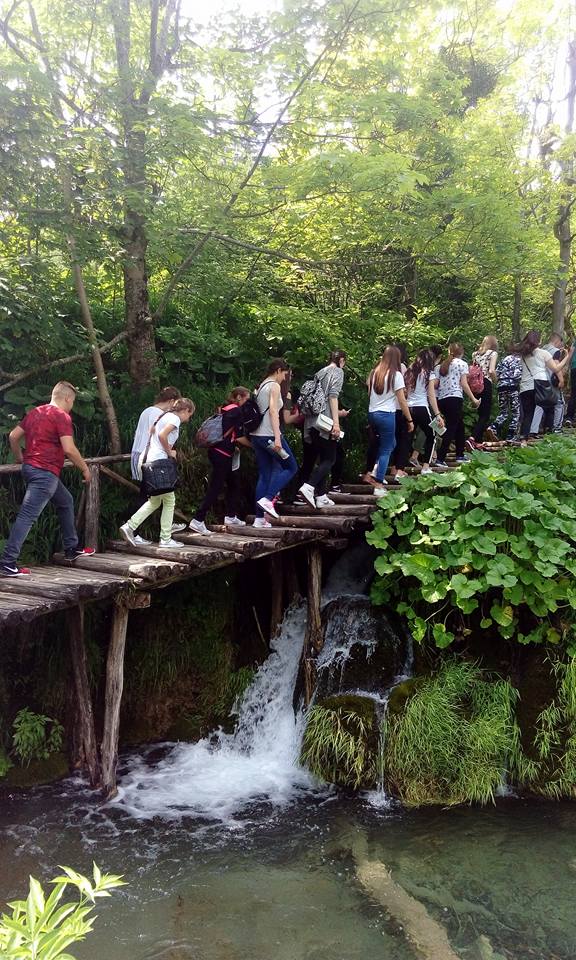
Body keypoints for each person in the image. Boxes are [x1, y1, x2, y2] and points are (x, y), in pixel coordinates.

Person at [0, 381, 95, 577]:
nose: (72, 406)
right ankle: (7, 562)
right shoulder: (61, 416)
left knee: (66, 501)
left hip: (32, 469)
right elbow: (69, 449)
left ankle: (71, 548)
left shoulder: (36, 412)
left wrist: (20, 458)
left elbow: (13, 436)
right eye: (73, 402)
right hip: (45, 472)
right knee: (27, 516)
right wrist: (85, 469)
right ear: (68, 398)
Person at [120, 398, 195, 548]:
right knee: (169, 500)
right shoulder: (175, 418)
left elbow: (153, 433)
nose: (189, 418)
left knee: (155, 500)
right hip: (158, 460)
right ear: (186, 410)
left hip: (148, 459)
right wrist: (170, 452)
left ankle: (130, 526)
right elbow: (162, 435)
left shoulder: (163, 415)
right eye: (190, 415)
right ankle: (165, 538)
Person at [187, 387, 251, 535]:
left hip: (218, 451)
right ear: (240, 397)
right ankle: (198, 520)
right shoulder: (237, 412)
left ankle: (230, 516)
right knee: (215, 487)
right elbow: (240, 436)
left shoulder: (224, 408)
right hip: (222, 453)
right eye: (247, 399)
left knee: (234, 483)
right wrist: (255, 446)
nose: (248, 402)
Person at [250, 359, 298, 527]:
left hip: (256, 436)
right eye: (284, 374)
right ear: (278, 370)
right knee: (291, 467)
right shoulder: (274, 386)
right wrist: (278, 437)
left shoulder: (261, 386)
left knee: (265, 474)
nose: (285, 378)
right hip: (269, 436)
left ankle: (259, 519)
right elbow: (273, 412)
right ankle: (268, 499)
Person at [299, 350, 347, 508]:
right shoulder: (337, 372)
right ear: (341, 360)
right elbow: (333, 396)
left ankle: (321, 496)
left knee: (322, 457)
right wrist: (336, 423)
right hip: (324, 421)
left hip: (311, 421)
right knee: (330, 459)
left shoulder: (320, 372)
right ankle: (309, 486)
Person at [365, 346, 413, 495]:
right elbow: (402, 400)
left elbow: (368, 392)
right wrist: (409, 419)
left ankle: (374, 470)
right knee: (386, 449)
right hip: (386, 415)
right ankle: (378, 485)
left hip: (372, 413)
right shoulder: (396, 375)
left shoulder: (374, 373)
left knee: (391, 443)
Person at [516, 330, 572, 439]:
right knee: (552, 404)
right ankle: (552, 429)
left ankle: (523, 438)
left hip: (524, 386)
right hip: (540, 385)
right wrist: (567, 356)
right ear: (538, 341)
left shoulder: (523, 355)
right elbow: (556, 368)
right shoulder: (543, 353)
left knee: (527, 414)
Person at [435, 343, 480, 468]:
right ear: (462, 352)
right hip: (455, 398)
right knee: (452, 427)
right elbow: (464, 384)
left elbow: (436, 385)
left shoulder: (440, 366)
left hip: (442, 399)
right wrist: (473, 399)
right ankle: (440, 458)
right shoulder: (462, 364)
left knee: (459, 426)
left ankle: (460, 454)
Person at [403, 349, 444, 474]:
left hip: (408, 408)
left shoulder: (409, 372)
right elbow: (431, 395)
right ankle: (426, 466)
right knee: (431, 435)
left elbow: (405, 392)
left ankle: (400, 467)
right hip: (422, 407)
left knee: (407, 437)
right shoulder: (429, 373)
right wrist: (437, 414)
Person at [130, 387, 181, 480]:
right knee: (155, 488)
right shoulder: (161, 414)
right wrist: (169, 452)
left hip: (137, 453)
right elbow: (161, 437)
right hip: (149, 457)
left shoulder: (147, 410)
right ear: (171, 401)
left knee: (145, 489)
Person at [487, 349, 522, 440]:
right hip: (512, 387)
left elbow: (497, 373)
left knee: (504, 412)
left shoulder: (504, 359)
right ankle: (511, 435)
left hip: (501, 387)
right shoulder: (518, 360)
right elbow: (517, 375)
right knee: (516, 412)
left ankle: (493, 427)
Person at [470, 336, 498, 445]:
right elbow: (491, 370)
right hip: (486, 383)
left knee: (480, 413)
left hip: (476, 385)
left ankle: (478, 441)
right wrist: (496, 380)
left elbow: (474, 370)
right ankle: (472, 438)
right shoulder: (493, 354)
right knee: (485, 415)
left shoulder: (475, 354)